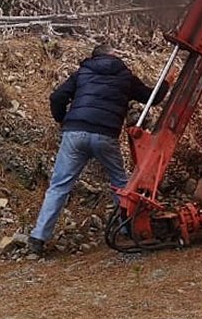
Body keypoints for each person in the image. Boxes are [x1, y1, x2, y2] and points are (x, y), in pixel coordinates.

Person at [28, 43, 166, 255]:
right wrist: (166, 83)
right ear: (112, 55)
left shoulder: (82, 72)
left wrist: (62, 120)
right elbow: (152, 98)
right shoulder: (124, 75)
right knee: (120, 183)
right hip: (105, 135)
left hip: (74, 134)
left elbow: (56, 97)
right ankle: (128, 228)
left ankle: (38, 238)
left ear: (93, 57)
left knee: (59, 186)